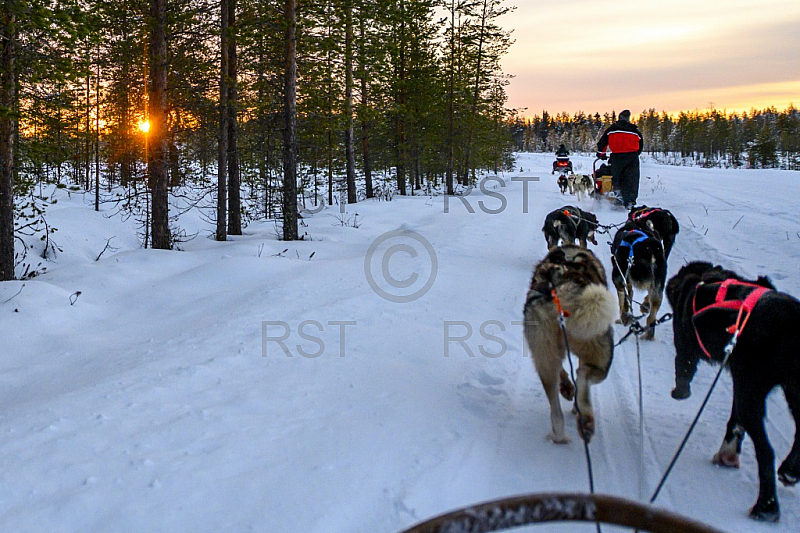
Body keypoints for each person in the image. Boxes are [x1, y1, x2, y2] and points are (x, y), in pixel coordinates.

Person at [596, 110, 643, 208]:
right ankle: (630, 201)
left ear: (619, 118)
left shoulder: (612, 129)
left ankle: (619, 196)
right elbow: (641, 145)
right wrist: (635, 154)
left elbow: (602, 142)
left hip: (617, 157)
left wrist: (601, 154)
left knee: (617, 177)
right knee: (632, 178)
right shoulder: (635, 131)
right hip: (632, 157)